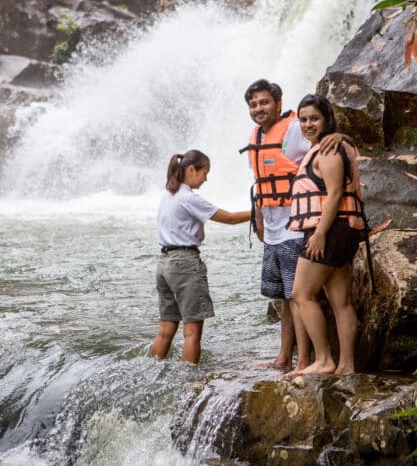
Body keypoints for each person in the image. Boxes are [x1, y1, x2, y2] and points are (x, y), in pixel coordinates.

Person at [241, 80, 339, 371]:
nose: (259, 109)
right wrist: (257, 218)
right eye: (254, 104)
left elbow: (324, 136)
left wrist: (340, 138)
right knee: (285, 299)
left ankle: (304, 361)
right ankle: (284, 357)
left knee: (298, 297)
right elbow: (260, 182)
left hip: (295, 225)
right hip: (271, 230)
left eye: (264, 102)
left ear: (278, 103)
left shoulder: (295, 127)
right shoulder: (256, 135)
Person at [288, 94, 366, 375]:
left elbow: (334, 194)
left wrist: (319, 233)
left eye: (314, 118)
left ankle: (323, 360)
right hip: (344, 229)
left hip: (330, 229)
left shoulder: (329, 150)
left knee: (302, 294)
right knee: (340, 301)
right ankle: (347, 366)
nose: (308, 124)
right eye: (304, 119)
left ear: (326, 119)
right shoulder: (331, 144)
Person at [152, 150, 250, 364]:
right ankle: (190, 383)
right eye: (204, 172)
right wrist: (259, 212)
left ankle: (151, 371)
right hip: (184, 264)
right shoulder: (188, 198)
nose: (206, 178)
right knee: (192, 332)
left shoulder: (168, 195)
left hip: (164, 263)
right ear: (191, 170)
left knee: (165, 331)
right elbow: (231, 219)